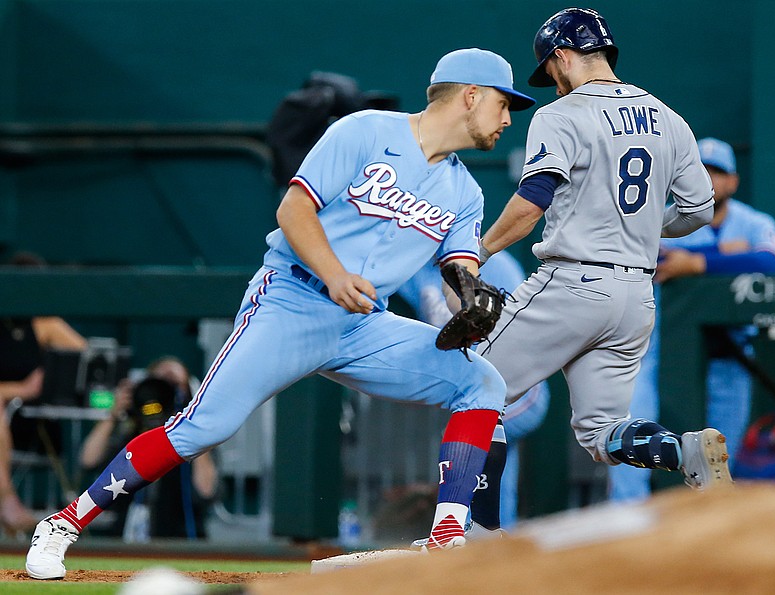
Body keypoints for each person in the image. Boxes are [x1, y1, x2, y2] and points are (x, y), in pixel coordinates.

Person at [25, 47, 536, 579]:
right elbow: (294, 209)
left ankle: (448, 535)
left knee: (481, 383)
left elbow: (457, 268)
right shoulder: (364, 131)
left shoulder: (466, 192)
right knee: (203, 427)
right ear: (470, 96)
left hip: (364, 324)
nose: (507, 119)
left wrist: (472, 296)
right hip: (291, 300)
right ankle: (64, 522)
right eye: (503, 104)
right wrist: (335, 274)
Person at [470, 7, 733, 534]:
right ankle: (682, 453)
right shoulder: (667, 116)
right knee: (602, 433)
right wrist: (633, 229)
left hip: (572, 282)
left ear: (563, 55)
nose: (552, 81)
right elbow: (701, 209)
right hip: (635, 295)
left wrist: (479, 251)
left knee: (471, 386)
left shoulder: (561, 114)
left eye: (551, 69)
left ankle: (476, 536)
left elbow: (531, 201)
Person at [608, 137, 775, 502]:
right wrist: (722, 252)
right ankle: (626, 526)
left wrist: (696, 262)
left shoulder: (753, 222)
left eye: (718, 172)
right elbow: (654, 256)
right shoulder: (661, 216)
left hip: (731, 354)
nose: (709, 179)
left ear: (733, 181)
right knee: (632, 436)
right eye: (701, 170)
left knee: (718, 455)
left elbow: (768, 260)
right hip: (657, 354)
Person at [397, 251, 550, 529]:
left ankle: (465, 530)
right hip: (471, 383)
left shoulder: (497, 264)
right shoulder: (417, 265)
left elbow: (522, 326)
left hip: (517, 388)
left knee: (467, 441)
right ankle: (494, 542)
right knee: (497, 468)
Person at [80, 356, 218, 538]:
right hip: (126, 539)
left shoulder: (196, 439)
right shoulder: (131, 432)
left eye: (173, 384)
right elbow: (88, 459)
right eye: (159, 383)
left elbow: (206, 490)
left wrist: (193, 423)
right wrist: (113, 414)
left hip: (180, 537)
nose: (164, 391)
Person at [0, 252, 87, 534]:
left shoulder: (44, 324)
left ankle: (8, 505)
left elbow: (89, 358)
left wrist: (50, 375)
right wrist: (19, 389)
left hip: (30, 422)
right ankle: (7, 504)